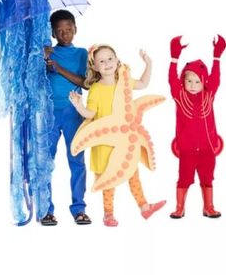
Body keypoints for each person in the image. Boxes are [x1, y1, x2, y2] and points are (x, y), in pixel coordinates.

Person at [69, 44, 166, 226]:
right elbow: (90, 114)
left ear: (117, 60)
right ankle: (108, 214)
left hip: (126, 139)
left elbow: (144, 84)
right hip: (105, 142)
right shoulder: (96, 89)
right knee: (108, 179)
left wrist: (148, 64)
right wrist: (78, 105)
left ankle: (145, 207)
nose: (107, 63)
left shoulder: (124, 80)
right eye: (102, 61)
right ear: (95, 66)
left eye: (110, 58)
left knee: (132, 173)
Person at [41, 9, 91, 226]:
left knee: (77, 161)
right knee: (44, 162)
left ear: (75, 29)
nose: (64, 34)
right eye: (59, 31)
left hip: (73, 112)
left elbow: (84, 83)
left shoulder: (81, 54)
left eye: (68, 30)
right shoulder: (46, 51)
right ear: (53, 32)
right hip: (48, 113)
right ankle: (46, 210)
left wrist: (58, 68)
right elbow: (34, 81)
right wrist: (42, 60)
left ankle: (79, 209)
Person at [168, 35, 226, 218]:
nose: (193, 85)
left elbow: (215, 78)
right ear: (183, 81)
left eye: (197, 81)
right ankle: (179, 207)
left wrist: (217, 57)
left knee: (207, 178)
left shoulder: (209, 94)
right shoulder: (179, 95)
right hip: (187, 148)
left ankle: (208, 207)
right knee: (184, 178)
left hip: (208, 148)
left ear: (204, 82)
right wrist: (174, 58)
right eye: (189, 80)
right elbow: (172, 79)